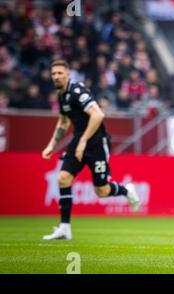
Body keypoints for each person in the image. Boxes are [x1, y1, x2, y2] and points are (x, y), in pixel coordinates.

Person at [41, 60, 141, 240]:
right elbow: (63, 122)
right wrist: (51, 145)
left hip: (96, 143)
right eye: (53, 73)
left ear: (68, 74)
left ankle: (127, 191)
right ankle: (65, 228)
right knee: (63, 178)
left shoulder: (77, 91)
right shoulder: (61, 94)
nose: (56, 76)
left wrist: (83, 141)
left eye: (60, 73)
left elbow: (98, 114)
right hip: (79, 140)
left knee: (101, 191)